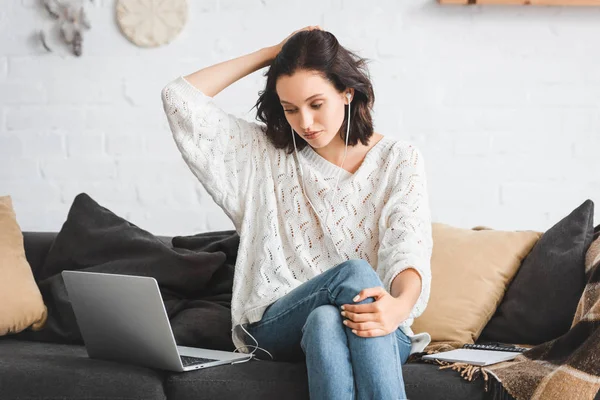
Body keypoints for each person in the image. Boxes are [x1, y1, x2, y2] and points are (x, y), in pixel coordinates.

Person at [161, 25, 433, 400]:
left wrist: (399, 307)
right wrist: (272, 52)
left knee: (325, 321)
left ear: (347, 93)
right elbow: (179, 99)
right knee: (354, 274)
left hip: (378, 323)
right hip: (276, 324)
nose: (304, 122)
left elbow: (408, 248)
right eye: (290, 109)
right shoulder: (262, 156)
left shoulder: (399, 159)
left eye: (316, 104)